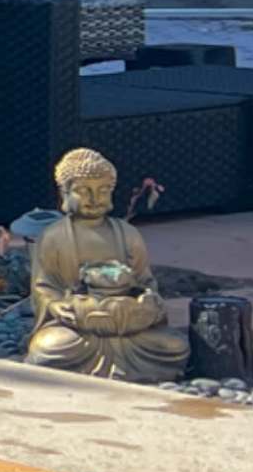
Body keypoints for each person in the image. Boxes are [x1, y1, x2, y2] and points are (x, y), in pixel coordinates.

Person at [21, 147, 189, 382]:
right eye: (84, 191)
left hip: (125, 321)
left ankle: (121, 358)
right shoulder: (53, 237)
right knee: (49, 347)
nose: (94, 199)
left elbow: (145, 281)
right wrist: (57, 306)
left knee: (175, 345)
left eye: (103, 191)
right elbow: (43, 287)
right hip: (78, 324)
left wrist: (149, 300)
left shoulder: (127, 233)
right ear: (65, 193)